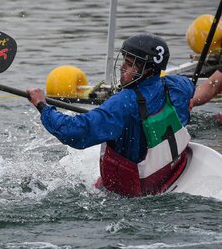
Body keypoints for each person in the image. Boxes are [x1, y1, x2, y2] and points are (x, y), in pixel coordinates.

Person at [27, 33, 194, 197]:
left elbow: (74, 132)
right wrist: (189, 104)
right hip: (172, 172)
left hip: (132, 193)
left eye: (129, 64)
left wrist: (43, 106)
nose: (122, 67)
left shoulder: (123, 103)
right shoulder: (179, 86)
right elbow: (191, 89)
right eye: (123, 61)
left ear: (147, 69)